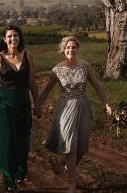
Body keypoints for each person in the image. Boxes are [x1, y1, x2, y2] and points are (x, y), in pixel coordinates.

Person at [38, 36, 112, 193]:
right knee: (70, 146)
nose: (70, 50)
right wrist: (36, 105)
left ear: (77, 49)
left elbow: (98, 86)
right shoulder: (56, 70)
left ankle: (67, 166)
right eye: (68, 47)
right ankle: (72, 182)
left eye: (73, 47)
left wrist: (106, 103)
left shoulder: (85, 66)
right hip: (65, 108)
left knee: (83, 147)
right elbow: (45, 91)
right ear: (63, 50)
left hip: (82, 106)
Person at [0, 25, 40, 191]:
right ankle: (8, 178)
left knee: (23, 139)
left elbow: (32, 82)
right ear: (4, 40)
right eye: (9, 36)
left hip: (23, 101)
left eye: (16, 35)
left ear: (19, 38)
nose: (13, 39)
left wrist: (37, 103)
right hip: (4, 102)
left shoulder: (28, 56)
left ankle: (21, 172)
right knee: (7, 140)